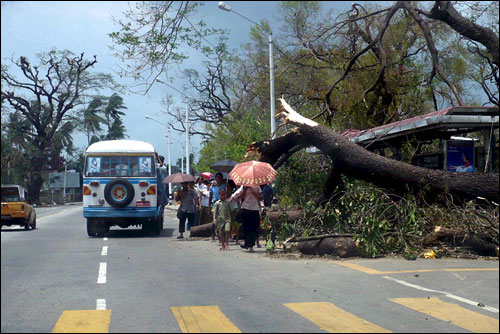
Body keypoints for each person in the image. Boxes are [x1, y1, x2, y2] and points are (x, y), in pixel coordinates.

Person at [230, 185, 263, 252]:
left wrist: (255, 193)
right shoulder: (243, 186)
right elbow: (241, 197)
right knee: (245, 227)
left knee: (254, 228)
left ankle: (251, 245)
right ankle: (247, 243)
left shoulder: (257, 187)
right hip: (245, 208)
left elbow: (261, 198)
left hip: (254, 209)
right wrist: (245, 189)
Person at [209, 173, 226, 241]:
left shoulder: (224, 186)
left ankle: (220, 235)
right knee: (214, 220)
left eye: (220, 177)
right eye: (217, 177)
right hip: (214, 203)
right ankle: (213, 235)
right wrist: (209, 206)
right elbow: (210, 197)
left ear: (222, 179)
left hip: (222, 203)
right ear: (215, 178)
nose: (218, 179)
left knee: (221, 219)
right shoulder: (212, 187)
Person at [226, 180, 240, 245]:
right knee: (229, 224)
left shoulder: (235, 192)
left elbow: (238, 200)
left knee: (236, 225)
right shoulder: (225, 193)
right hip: (229, 209)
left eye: (228, 186)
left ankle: (236, 239)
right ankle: (229, 237)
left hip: (235, 208)